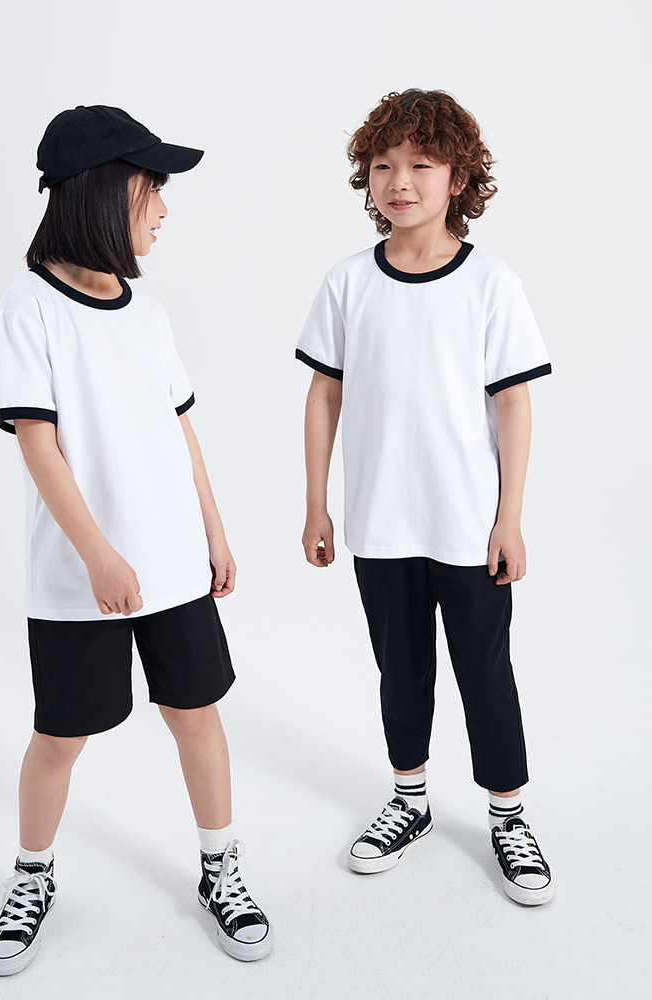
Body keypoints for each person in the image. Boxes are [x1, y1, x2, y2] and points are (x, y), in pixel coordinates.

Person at [0, 105, 272, 976]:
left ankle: (219, 866)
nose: (164, 209)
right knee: (60, 736)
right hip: (80, 576)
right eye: (154, 190)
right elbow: (40, 446)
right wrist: (100, 555)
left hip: (176, 565)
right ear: (106, 193)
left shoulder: (146, 311)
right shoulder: (30, 308)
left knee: (197, 715)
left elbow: (179, 426)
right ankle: (32, 876)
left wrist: (213, 527)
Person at [297, 89, 553, 906]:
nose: (399, 181)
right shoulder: (348, 283)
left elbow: (513, 403)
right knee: (400, 671)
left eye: (420, 164)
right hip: (379, 523)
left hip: (468, 525)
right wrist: (317, 503)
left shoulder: (490, 283)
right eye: (383, 165)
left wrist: (509, 518)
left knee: (485, 670)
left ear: (458, 177)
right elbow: (324, 395)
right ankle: (409, 799)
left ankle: (508, 815)